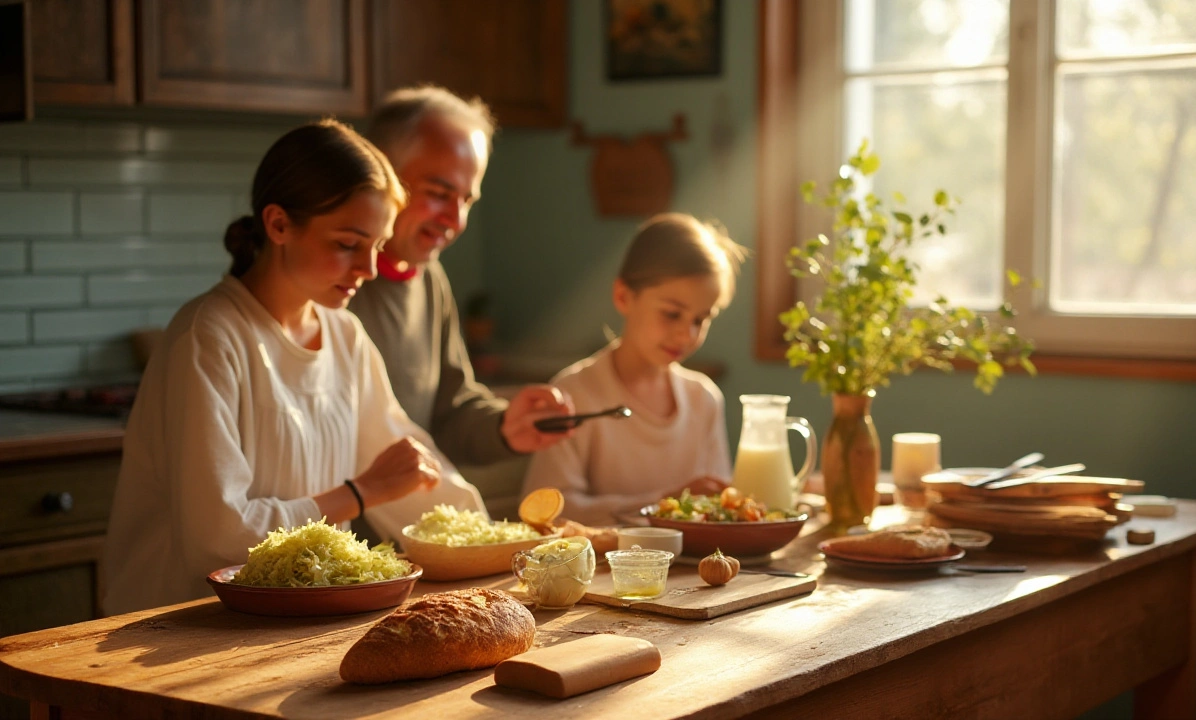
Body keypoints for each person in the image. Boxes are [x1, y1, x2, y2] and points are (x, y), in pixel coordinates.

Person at [101, 120, 485, 615]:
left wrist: (498, 541)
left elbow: (407, 472)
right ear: (279, 224)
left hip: (293, 625)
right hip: (176, 632)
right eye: (348, 244)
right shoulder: (208, 337)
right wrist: (360, 493)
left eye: (377, 245)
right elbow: (217, 537)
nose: (369, 269)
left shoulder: (344, 336)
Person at [349, 86, 574, 483]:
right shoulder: (334, 284)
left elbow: (450, 414)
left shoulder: (430, 279)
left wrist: (507, 425)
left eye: (467, 201)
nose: (454, 220)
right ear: (379, 174)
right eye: (439, 194)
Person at [521, 213, 748, 526]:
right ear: (623, 297)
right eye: (671, 314)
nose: (687, 334)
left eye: (700, 319)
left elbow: (720, 510)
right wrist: (663, 504)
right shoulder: (574, 393)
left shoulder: (704, 399)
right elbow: (546, 511)